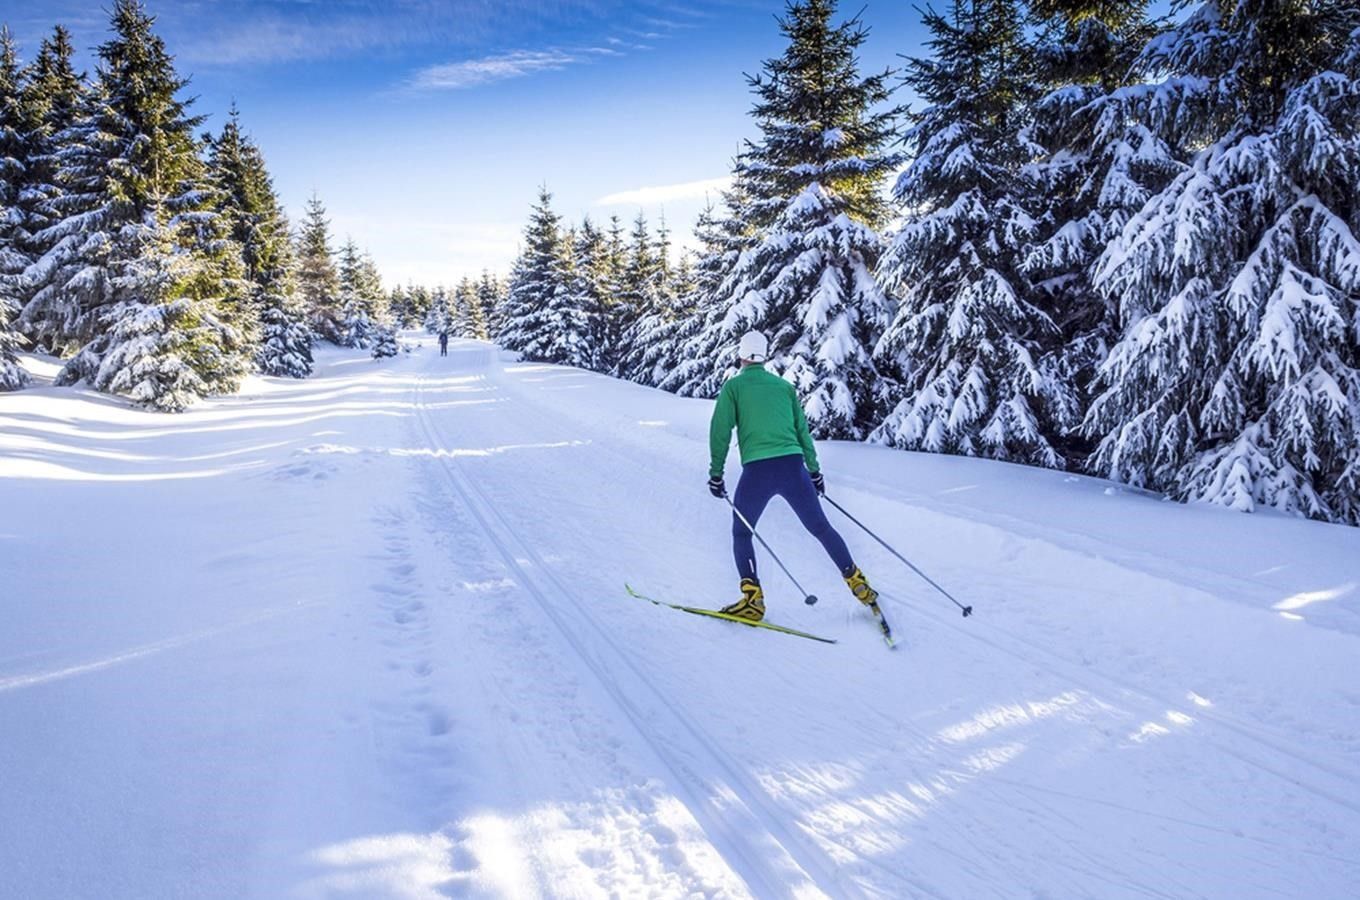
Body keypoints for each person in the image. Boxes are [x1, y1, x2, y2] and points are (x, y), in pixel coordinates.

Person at [708, 330, 878, 621]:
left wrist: (716, 473)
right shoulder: (784, 388)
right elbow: (803, 433)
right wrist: (814, 472)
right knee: (822, 528)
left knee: (742, 532)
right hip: (793, 467)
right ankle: (858, 583)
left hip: (758, 471)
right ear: (765, 355)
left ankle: (753, 600)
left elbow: (720, 431)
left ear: (742, 355)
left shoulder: (733, 388)